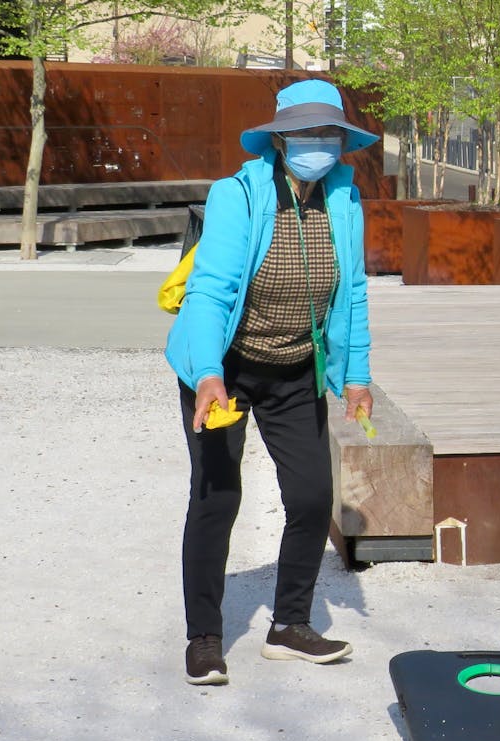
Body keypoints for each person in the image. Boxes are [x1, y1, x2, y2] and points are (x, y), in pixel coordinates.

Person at [165, 79, 378, 686]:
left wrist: (357, 376)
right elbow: (212, 290)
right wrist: (207, 374)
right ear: (280, 139)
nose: (318, 143)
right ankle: (204, 638)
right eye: (306, 132)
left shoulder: (344, 199)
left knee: (312, 495)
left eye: (328, 133)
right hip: (226, 367)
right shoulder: (239, 195)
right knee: (217, 497)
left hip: (294, 367)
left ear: (341, 140)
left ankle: (289, 627)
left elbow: (353, 291)